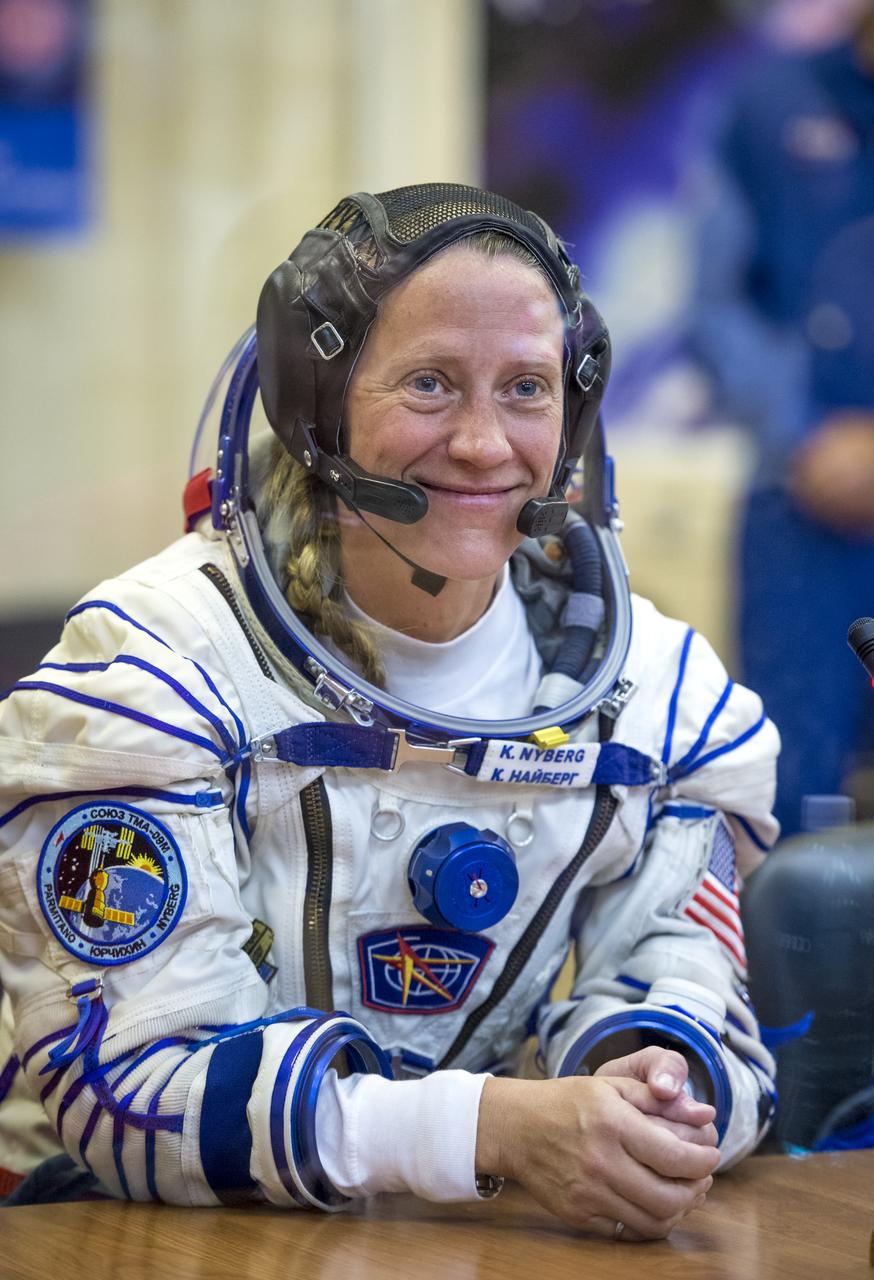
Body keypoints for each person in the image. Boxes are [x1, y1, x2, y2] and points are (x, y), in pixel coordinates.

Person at [0, 183, 778, 1239]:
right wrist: (487, 1129)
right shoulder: (152, 673)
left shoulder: (665, 705)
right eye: (428, 384)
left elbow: (694, 1001)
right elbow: (134, 1089)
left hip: (452, 1234)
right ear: (315, 400)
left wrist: (648, 1085)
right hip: (108, 1227)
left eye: (526, 389)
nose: (481, 443)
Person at [692, 5, 874, 836]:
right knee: (787, 793)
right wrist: (799, 435)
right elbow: (717, 301)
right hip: (802, 507)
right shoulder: (766, 107)